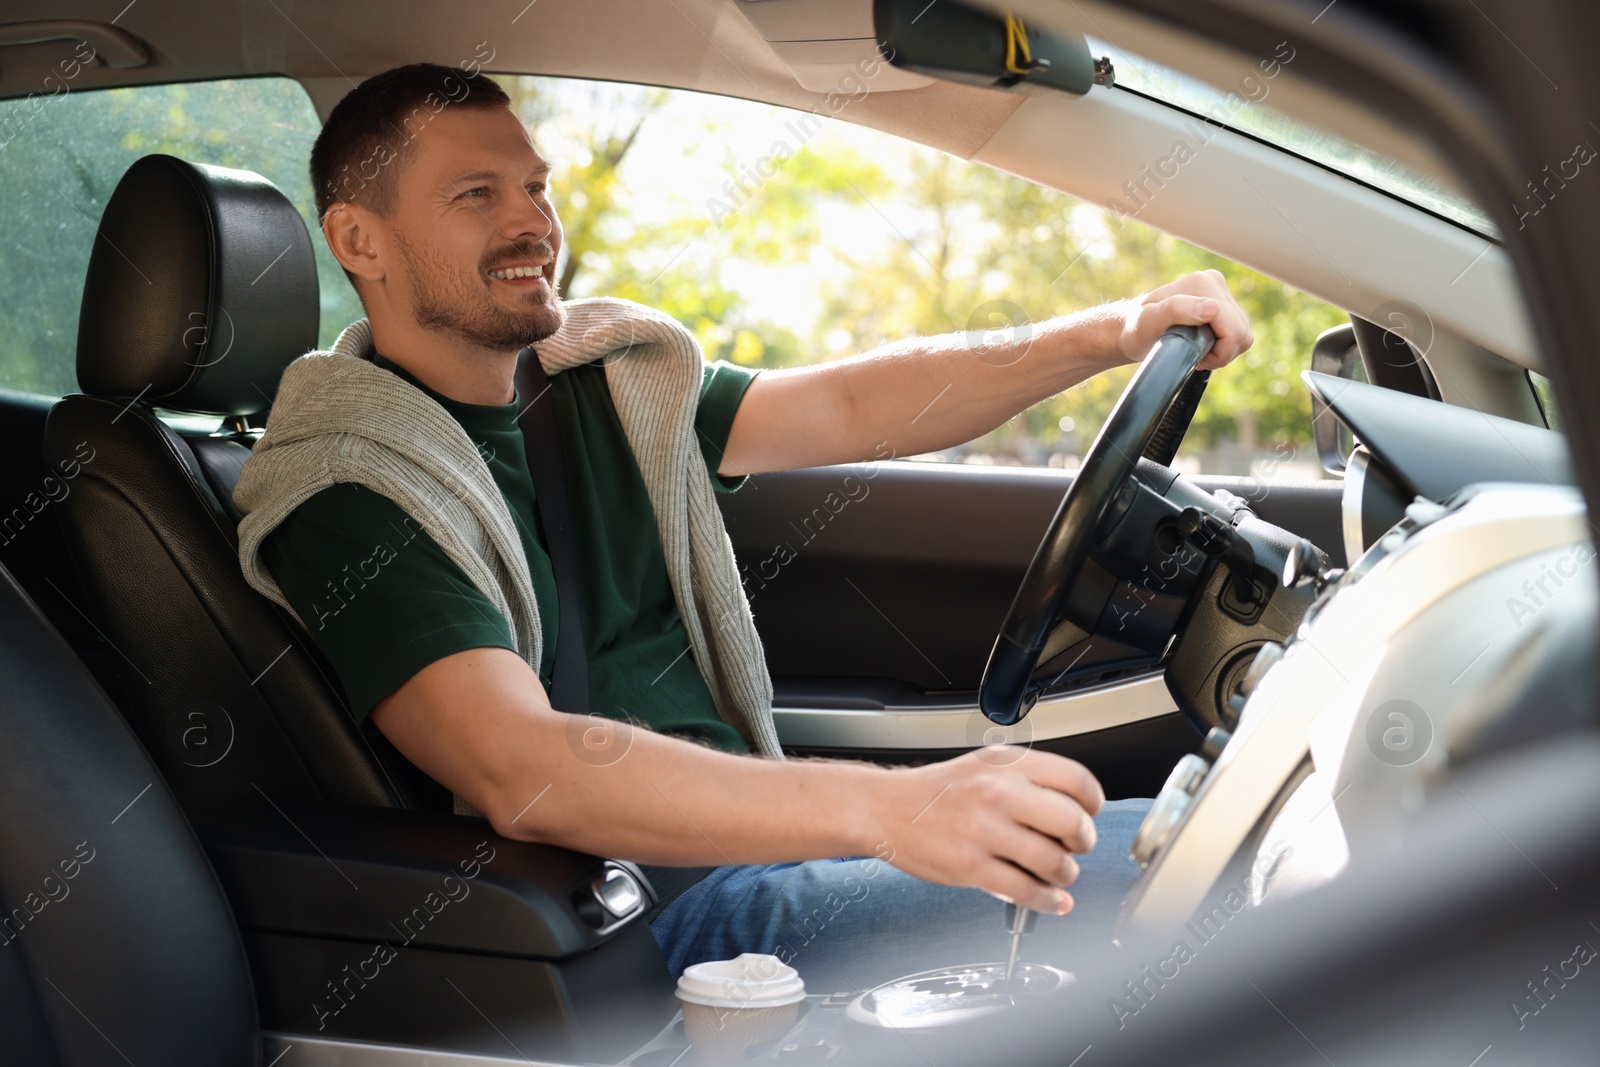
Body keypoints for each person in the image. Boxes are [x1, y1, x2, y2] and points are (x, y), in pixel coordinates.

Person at [235, 63, 1253, 994]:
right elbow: (524, 767)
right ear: (358, 240)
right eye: (476, 195)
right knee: (1213, 864)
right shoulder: (350, 489)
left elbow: (855, 405)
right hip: (645, 921)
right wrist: (890, 809)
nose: (533, 223)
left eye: (535, 187)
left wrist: (1108, 333)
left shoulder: (605, 383)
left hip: (764, 856)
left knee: (1214, 832)